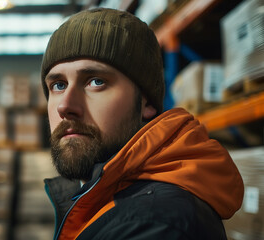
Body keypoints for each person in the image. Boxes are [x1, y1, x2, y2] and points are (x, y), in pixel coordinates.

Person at [40, 8, 244, 240]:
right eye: (58, 85)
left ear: (146, 102)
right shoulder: (104, 200)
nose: (64, 106)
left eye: (96, 81)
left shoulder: (154, 224)